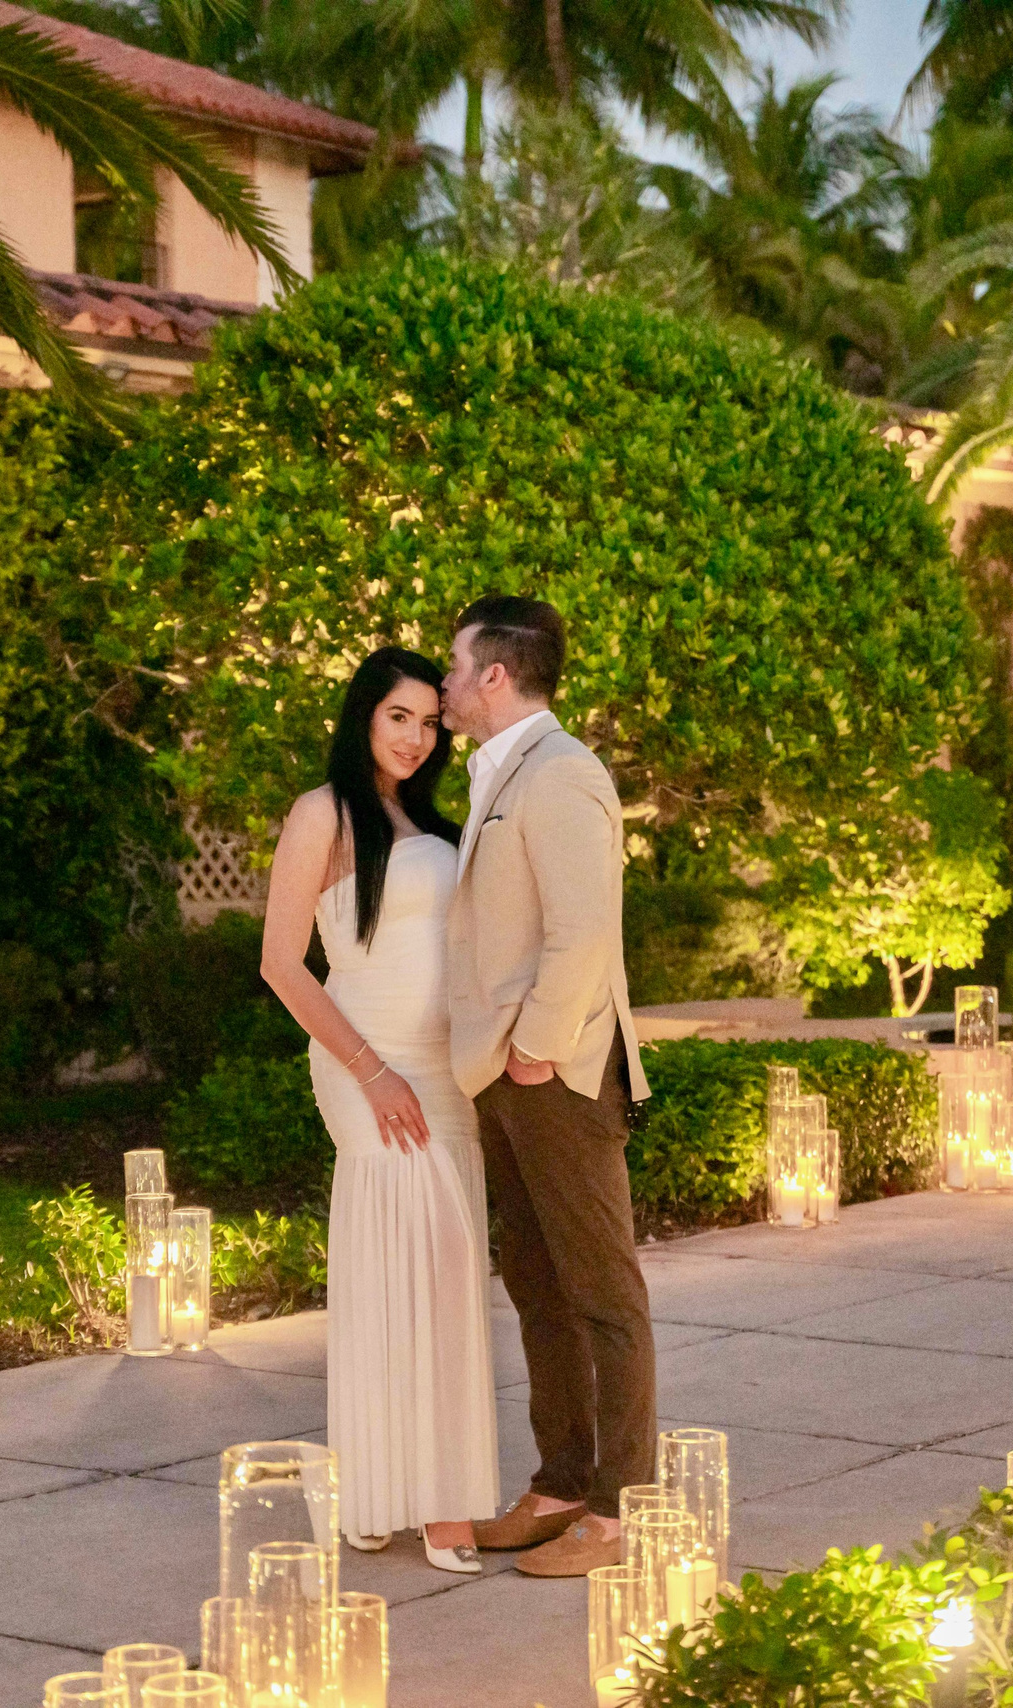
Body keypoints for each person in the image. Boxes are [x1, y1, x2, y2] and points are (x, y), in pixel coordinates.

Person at [260, 647, 500, 1574]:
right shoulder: (323, 814)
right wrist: (371, 1072)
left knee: (444, 1273)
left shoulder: (433, 819)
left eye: (428, 721)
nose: (414, 736)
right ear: (364, 714)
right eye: (397, 715)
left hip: (444, 1069)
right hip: (365, 1064)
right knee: (394, 1261)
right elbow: (283, 965)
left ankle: (422, 1487)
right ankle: (399, 1492)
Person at [440, 595, 652, 1578]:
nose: (442, 685)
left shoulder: (563, 774)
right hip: (506, 1073)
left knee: (603, 1291)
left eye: (453, 667)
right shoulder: (500, 774)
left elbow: (582, 930)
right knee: (535, 1283)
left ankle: (622, 1508)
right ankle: (562, 1480)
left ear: (494, 674)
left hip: (554, 1073)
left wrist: (531, 1050)